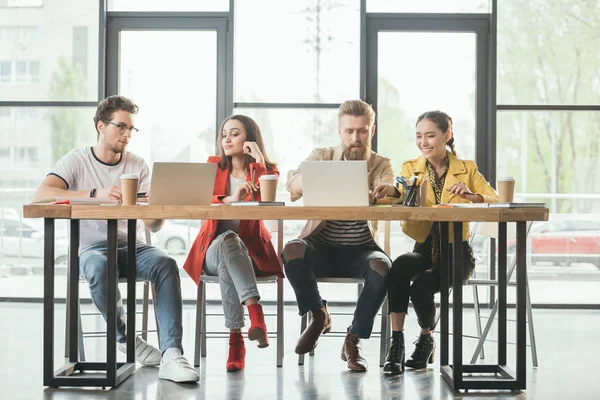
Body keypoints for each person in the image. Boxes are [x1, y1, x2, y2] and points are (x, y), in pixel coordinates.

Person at [32, 96, 199, 383]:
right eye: (121, 126)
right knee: (97, 267)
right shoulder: (77, 160)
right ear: (101, 126)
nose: (127, 134)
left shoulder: (138, 165)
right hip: (93, 249)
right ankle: (127, 339)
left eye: (131, 129)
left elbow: (152, 224)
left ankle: (172, 354)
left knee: (166, 264)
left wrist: (164, 207)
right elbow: (42, 195)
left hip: (132, 245)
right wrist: (96, 194)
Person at [371, 110, 499, 374]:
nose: (424, 142)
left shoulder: (468, 169)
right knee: (400, 266)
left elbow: (495, 201)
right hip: (424, 249)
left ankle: (426, 339)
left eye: (430, 135)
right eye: (419, 136)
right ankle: (397, 344)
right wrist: (392, 191)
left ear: (447, 136)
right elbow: (403, 193)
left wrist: (471, 195)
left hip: (457, 254)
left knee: (420, 288)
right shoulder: (411, 167)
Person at [282, 99, 394, 372]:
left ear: (372, 130)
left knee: (383, 266)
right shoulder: (321, 156)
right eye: (349, 131)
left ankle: (353, 340)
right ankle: (319, 314)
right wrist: (313, 180)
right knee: (291, 249)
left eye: (362, 131)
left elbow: (392, 187)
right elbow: (292, 184)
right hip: (320, 245)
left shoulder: (380, 164)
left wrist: (386, 191)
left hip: (362, 249)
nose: (356, 138)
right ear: (340, 131)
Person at [183, 115, 283, 372]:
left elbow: (267, 198)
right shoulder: (212, 167)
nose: (226, 138)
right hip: (210, 252)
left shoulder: (265, 169)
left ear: (249, 138)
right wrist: (230, 198)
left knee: (232, 250)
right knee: (228, 240)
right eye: (224, 133)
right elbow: (201, 202)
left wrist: (259, 160)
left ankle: (236, 341)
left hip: (248, 255)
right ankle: (255, 312)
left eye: (235, 133)